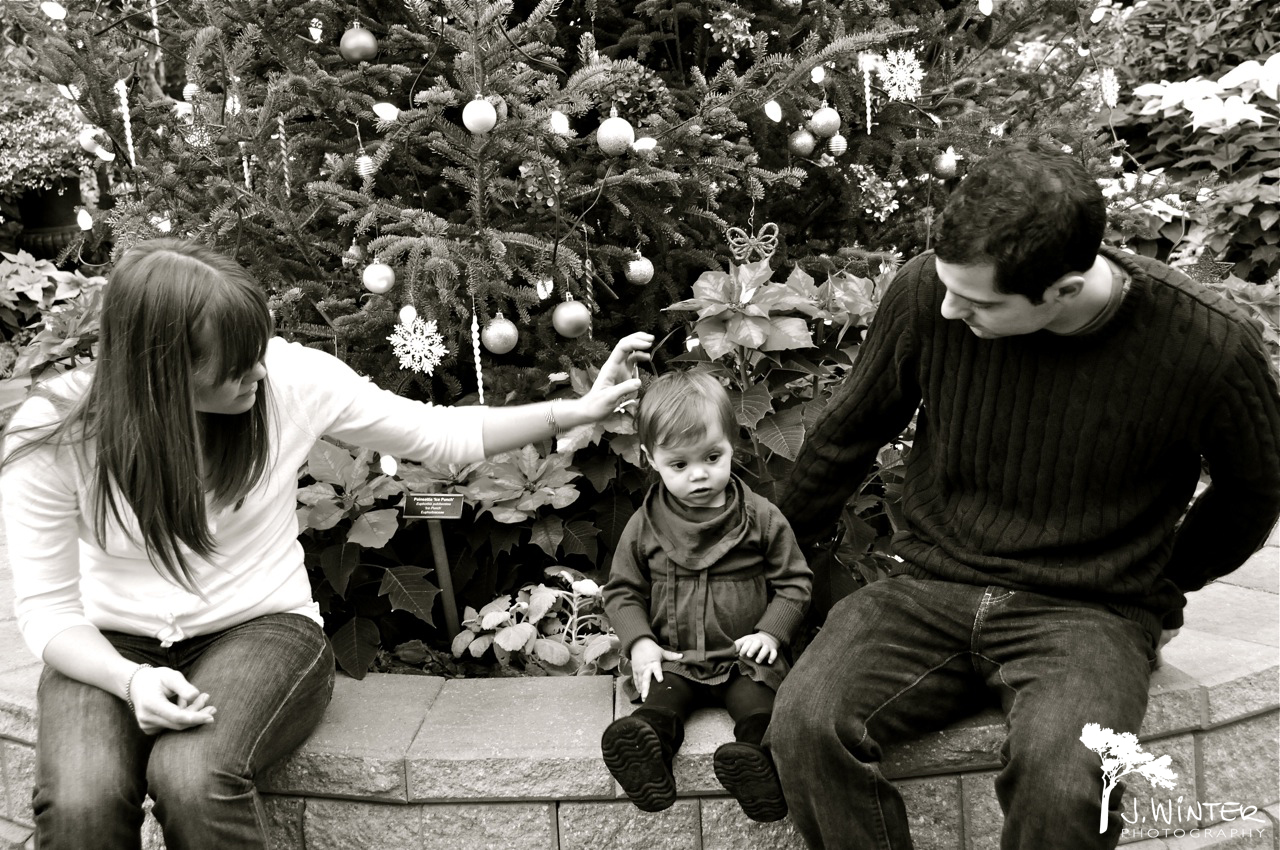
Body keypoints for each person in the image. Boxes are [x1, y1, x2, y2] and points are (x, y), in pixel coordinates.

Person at [0, 238, 653, 850]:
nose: (259, 369)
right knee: (81, 801)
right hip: (109, 645)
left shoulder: (290, 380)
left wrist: (575, 411)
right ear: (163, 370)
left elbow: (438, 435)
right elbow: (48, 611)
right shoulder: (56, 435)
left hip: (260, 630)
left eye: (257, 346)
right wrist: (129, 679)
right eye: (235, 363)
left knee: (193, 777)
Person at [769, 142, 1280, 850]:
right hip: (926, 590)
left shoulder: (1210, 345)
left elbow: (1253, 493)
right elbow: (844, 438)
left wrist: (1162, 583)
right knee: (805, 725)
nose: (948, 309)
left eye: (979, 301)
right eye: (945, 284)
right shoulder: (925, 294)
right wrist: (768, 565)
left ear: (1064, 289)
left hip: (1088, 614)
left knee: (1066, 781)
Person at [600, 370, 812, 822]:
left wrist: (770, 634)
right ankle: (647, 751)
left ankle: (758, 763)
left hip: (743, 659)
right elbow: (622, 589)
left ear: (732, 445)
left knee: (758, 706)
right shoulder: (645, 524)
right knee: (661, 702)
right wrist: (641, 644)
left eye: (712, 457)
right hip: (674, 658)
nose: (699, 474)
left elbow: (795, 582)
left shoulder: (760, 517)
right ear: (650, 458)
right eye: (679, 465)